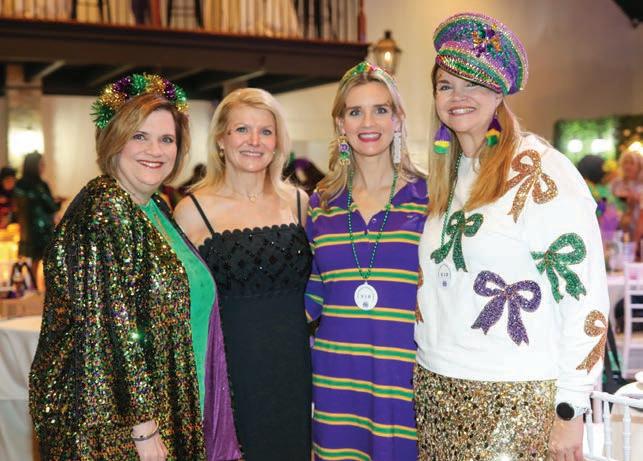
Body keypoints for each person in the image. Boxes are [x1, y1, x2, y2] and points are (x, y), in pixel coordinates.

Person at [414, 13, 609, 460]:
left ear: (499, 93)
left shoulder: (540, 171)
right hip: (437, 388)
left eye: (474, 84)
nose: (457, 97)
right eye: (446, 85)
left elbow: (584, 294)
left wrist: (570, 408)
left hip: (516, 398)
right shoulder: (447, 174)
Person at [29, 74, 239, 461]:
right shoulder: (105, 206)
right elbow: (108, 327)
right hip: (126, 431)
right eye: (139, 136)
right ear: (114, 139)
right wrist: (143, 429)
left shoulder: (154, 206)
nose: (155, 150)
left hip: (172, 404)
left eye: (167, 139)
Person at [173, 88, 312, 460]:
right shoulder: (192, 210)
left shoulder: (300, 203)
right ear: (221, 139)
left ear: (278, 142)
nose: (254, 141)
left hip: (295, 367)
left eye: (266, 131)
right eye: (242, 130)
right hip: (232, 371)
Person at [304, 61, 427, 460]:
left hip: (407, 379)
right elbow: (311, 295)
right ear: (341, 124)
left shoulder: (431, 199)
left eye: (381, 109)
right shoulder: (321, 204)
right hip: (337, 381)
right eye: (355, 111)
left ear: (398, 119)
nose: (368, 122)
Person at [13, 152, 61, 278]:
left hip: (27, 231)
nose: (43, 167)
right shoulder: (39, 186)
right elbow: (50, 206)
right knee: (45, 264)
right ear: (34, 166)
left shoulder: (20, 185)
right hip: (41, 231)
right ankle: (38, 288)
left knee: (32, 264)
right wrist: (58, 203)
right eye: (41, 164)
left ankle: (32, 287)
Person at [611, 148, 643, 242]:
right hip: (620, 228)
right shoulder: (616, 183)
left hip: (639, 229)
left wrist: (636, 198)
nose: (627, 166)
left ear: (639, 166)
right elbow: (610, 204)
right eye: (625, 162)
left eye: (632, 163)